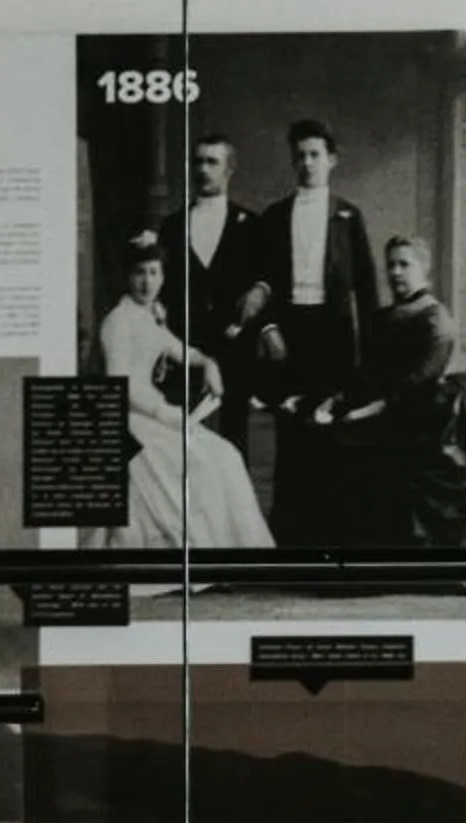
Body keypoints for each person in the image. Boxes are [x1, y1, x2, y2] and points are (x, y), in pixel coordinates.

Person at [88, 230, 274, 552]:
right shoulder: (118, 321)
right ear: (127, 276)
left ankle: (230, 551)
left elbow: (178, 350)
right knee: (206, 461)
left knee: (226, 456)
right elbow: (121, 385)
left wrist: (208, 362)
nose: (146, 282)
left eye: (153, 272)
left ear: (162, 276)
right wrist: (166, 414)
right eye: (139, 273)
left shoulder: (149, 316)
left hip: (151, 416)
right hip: (127, 422)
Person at [253, 118, 379, 542]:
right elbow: (263, 280)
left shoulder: (348, 216)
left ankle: (332, 537)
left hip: (332, 333)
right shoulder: (275, 216)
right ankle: (290, 539)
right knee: (292, 433)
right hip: (291, 331)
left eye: (315, 155)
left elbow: (366, 287)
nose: (307, 163)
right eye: (300, 156)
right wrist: (269, 327)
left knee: (330, 431)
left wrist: (367, 350)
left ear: (332, 160)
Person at [321, 233, 466, 545]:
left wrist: (365, 412)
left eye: (404, 264)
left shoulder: (435, 319)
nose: (395, 272)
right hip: (384, 417)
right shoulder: (384, 317)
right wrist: (336, 400)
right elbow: (367, 376)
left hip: (418, 426)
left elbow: (417, 384)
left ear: (424, 267)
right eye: (390, 265)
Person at [159, 134, 272, 456]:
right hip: (187, 346)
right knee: (183, 442)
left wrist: (260, 289)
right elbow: (162, 288)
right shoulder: (172, 226)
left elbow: (268, 277)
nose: (203, 169)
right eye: (198, 162)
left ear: (229, 169)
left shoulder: (251, 225)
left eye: (212, 162)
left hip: (235, 350)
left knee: (234, 441)